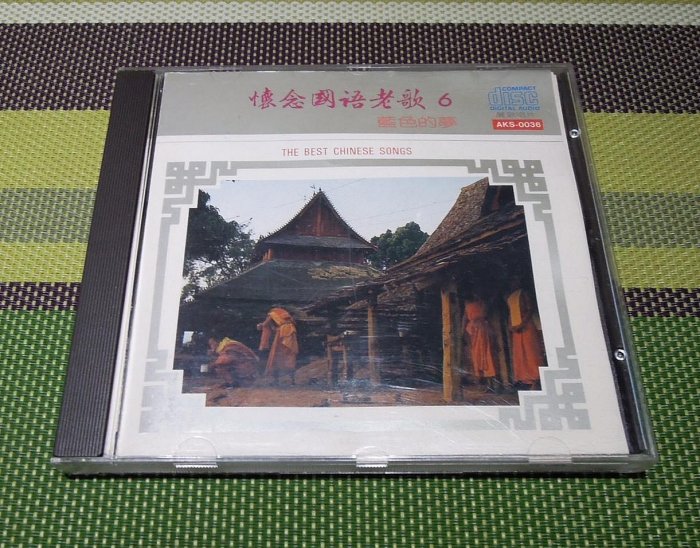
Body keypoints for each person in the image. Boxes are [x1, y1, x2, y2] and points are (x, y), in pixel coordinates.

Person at [505, 278, 546, 389]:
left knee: (531, 353)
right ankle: (525, 380)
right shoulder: (510, 297)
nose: (514, 283)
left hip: (526, 327)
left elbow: (530, 309)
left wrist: (522, 324)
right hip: (516, 329)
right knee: (520, 354)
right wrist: (510, 325)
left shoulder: (524, 293)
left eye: (516, 280)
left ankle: (536, 380)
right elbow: (510, 313)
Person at [463, 296, 498, 391]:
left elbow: (486, 314)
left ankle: (491, 384)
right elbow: (465, 319)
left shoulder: (483, 303)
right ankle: (481, 383)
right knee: (476, 356)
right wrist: (463, 333)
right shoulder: (467, 304)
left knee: (487, 355)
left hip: (483, 331)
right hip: (472, 332)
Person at [257, 307, 299, 383]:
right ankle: (292, 380)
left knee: (276, 355)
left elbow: (265, 324)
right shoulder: (286, 315)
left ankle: (277, 379)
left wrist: (260, 326)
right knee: (290, 355)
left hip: (282, 333)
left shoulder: (272, 314)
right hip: (291, 332)